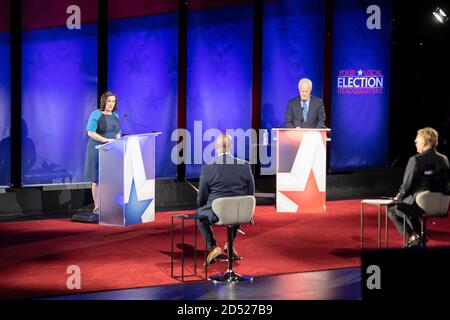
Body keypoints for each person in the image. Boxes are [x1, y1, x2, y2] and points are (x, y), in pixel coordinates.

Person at [197, 134, 255, 265]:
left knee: (199, 215)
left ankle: (213, 247)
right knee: (238, 206)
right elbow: (250, 193)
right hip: (241, 213)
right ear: (230, 147)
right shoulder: (245, 165)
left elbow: (202, 197)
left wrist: (202, 207)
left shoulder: (208, 168)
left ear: (215, 147)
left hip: (218, 213)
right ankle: (229, 244)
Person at [388, 127, 449, 247]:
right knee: (409, 206)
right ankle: (417, 237)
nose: (415, 143)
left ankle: (413, 235)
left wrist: (398, 197)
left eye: (417, 141)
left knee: (392, 208)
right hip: (443, 204)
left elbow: (407, 185)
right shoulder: (444, 159)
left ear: (424, 142)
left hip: (422, 203)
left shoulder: (415, 160)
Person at [84, 92, 121, 213]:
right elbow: (90, 132)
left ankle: (109, 204)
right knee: (97, 180)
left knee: (109, 179)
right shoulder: (96, 114)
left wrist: (118, 138)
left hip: (111, 149)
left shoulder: (116, 116)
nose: (111, 104)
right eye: (109, 101)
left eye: (113, 101)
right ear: (103, 101)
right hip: (97, 149)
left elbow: (118, 132)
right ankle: (98, 207)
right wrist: (106, 140)